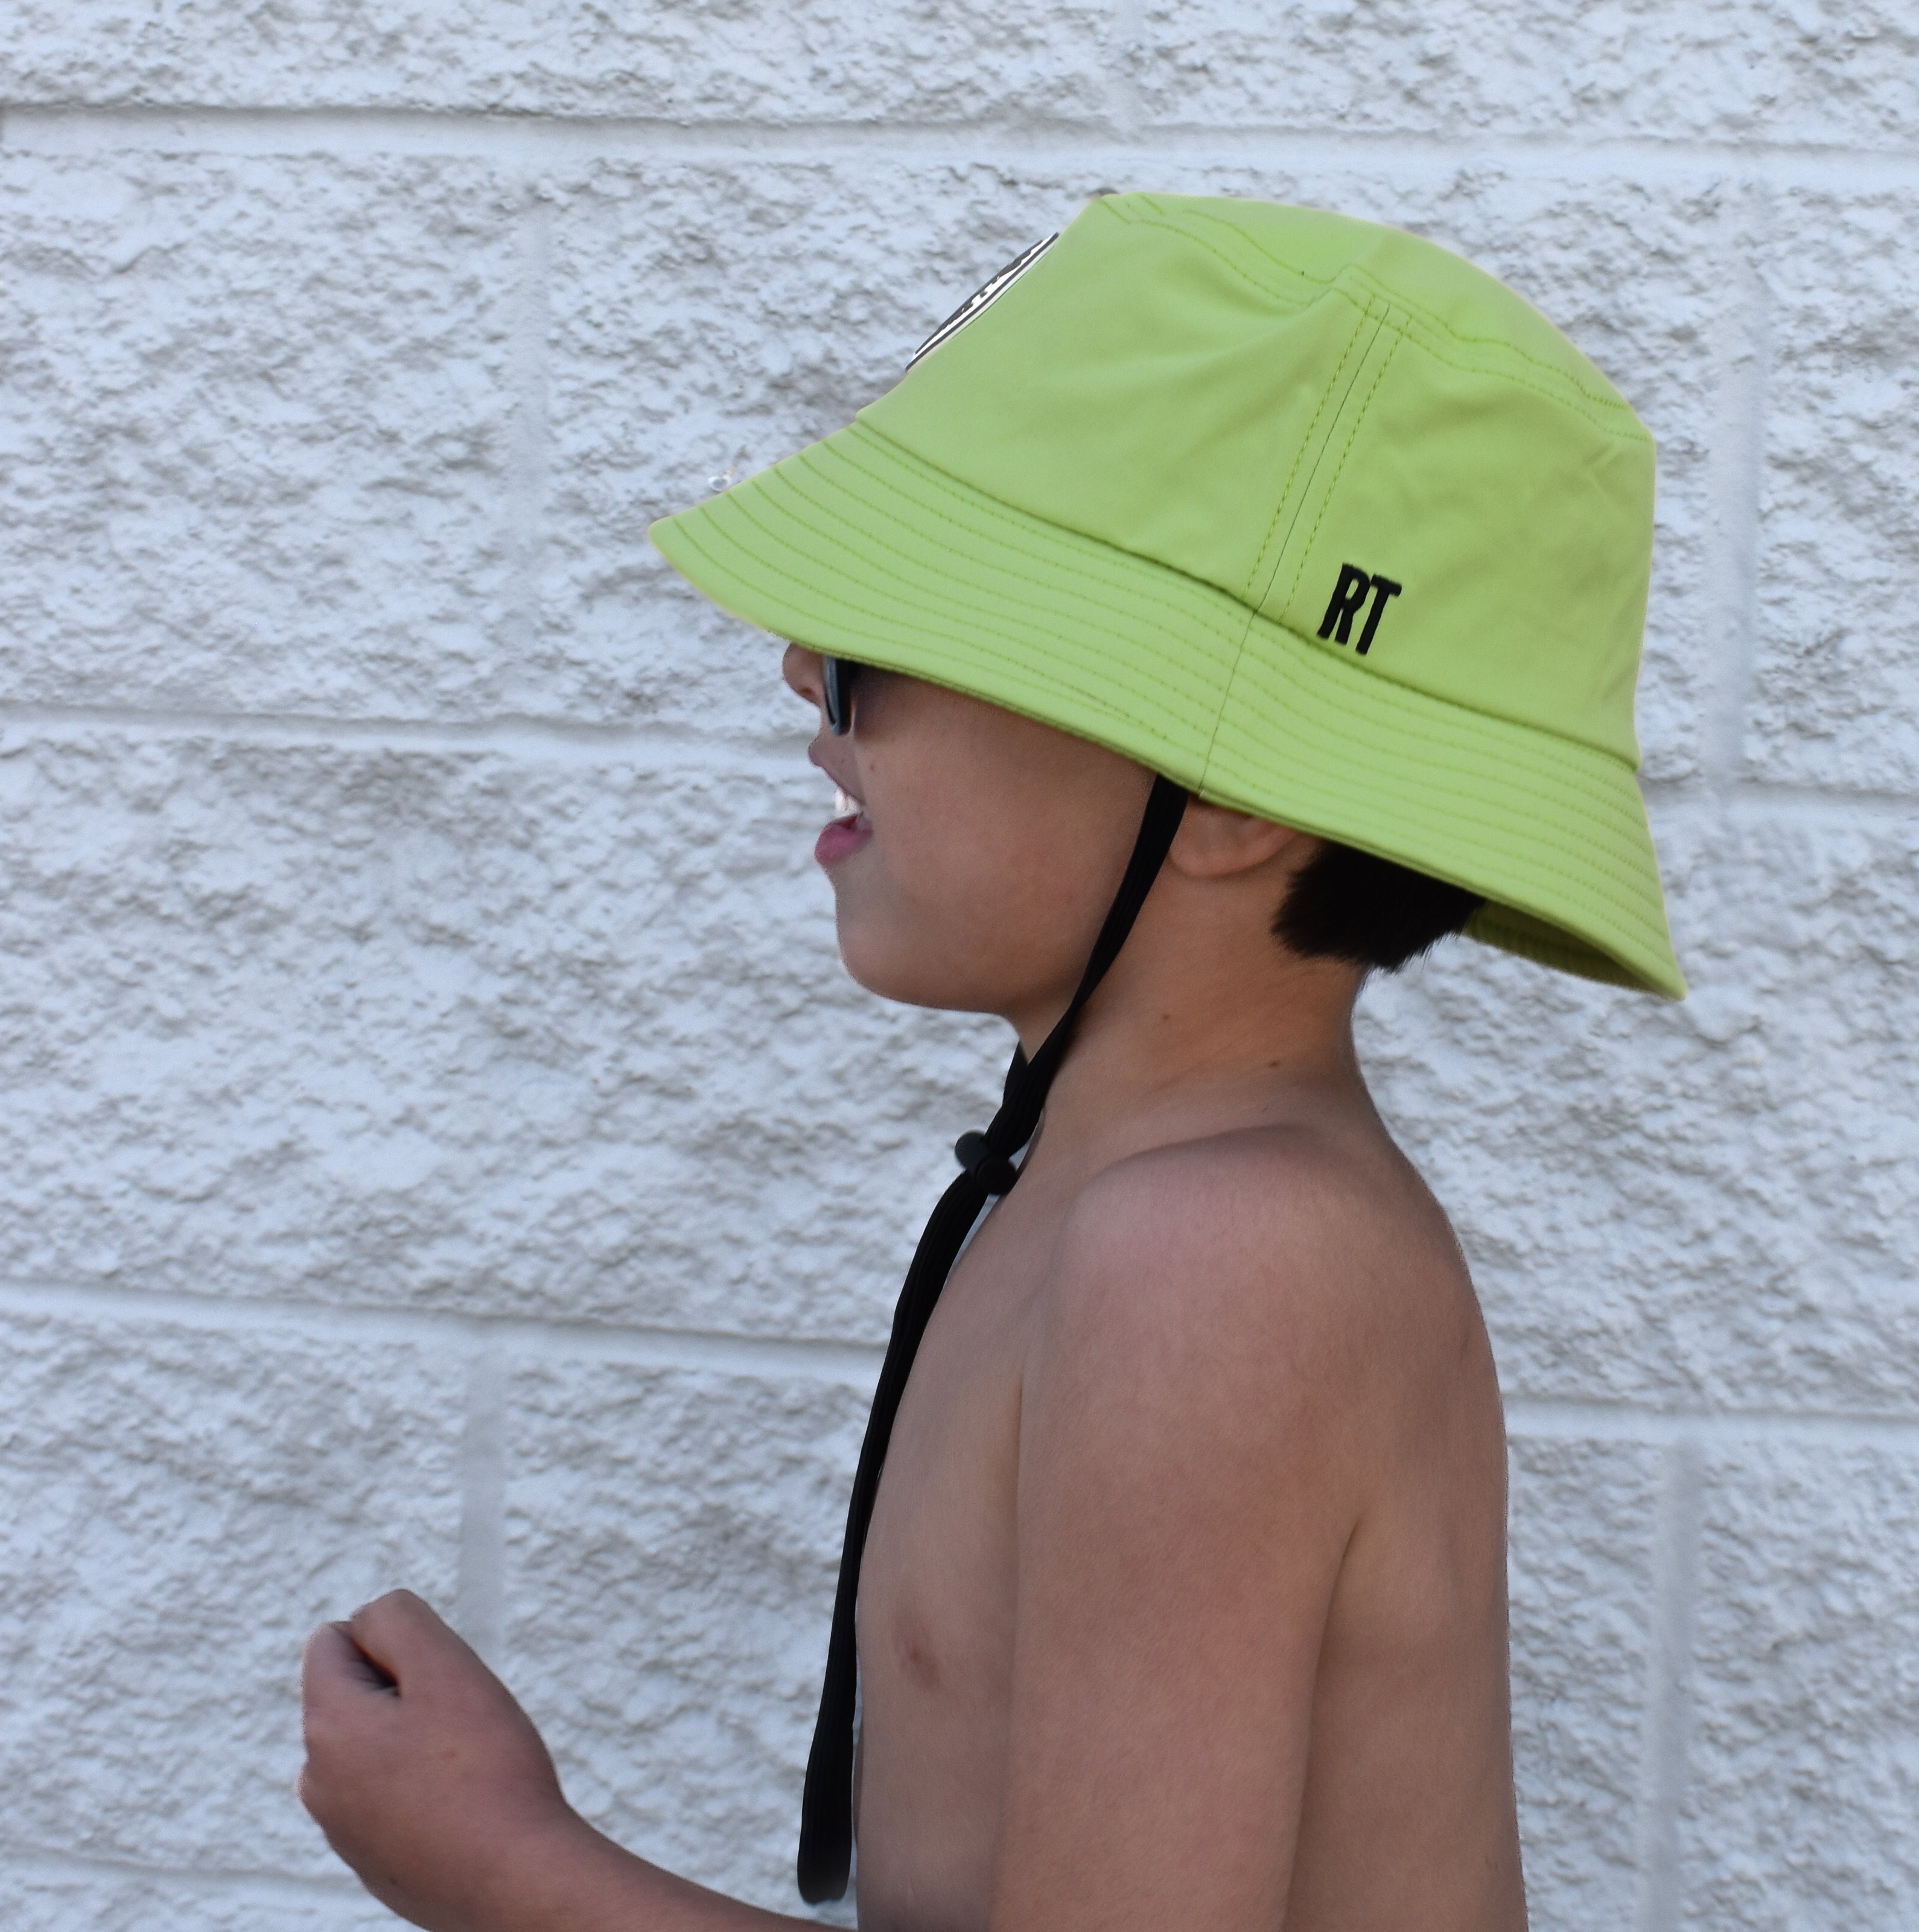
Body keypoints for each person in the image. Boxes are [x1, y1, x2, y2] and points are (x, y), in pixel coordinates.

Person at [296, 192, 1686, 1932]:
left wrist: (504, 1866)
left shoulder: (1221, 1265)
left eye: (889, 639)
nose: (806, 672)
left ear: (1236, 792)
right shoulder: (1110, 1201)